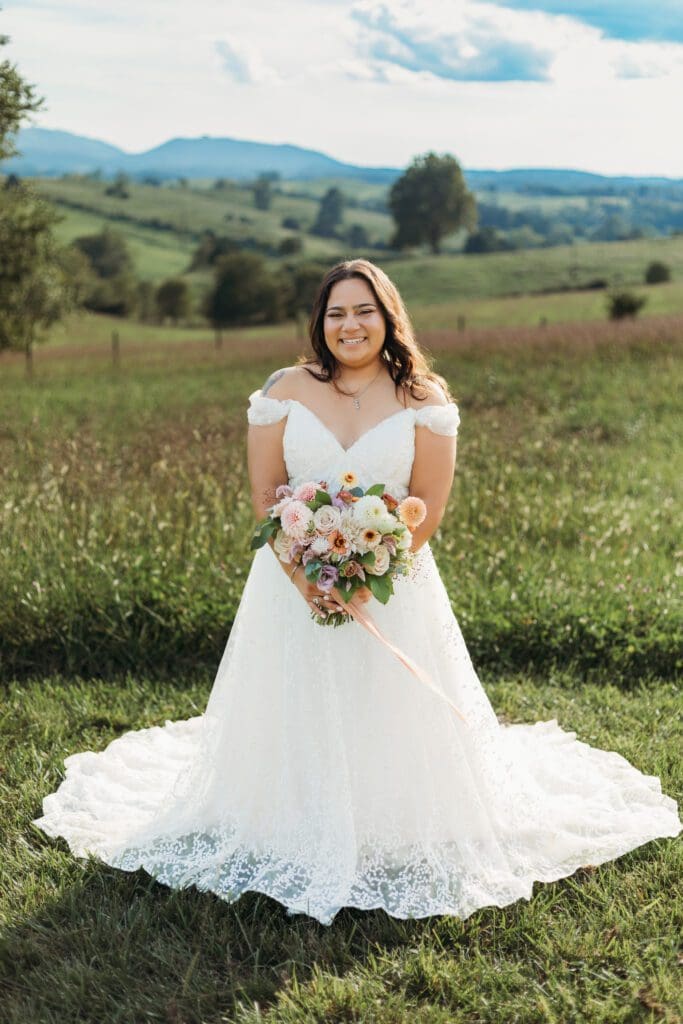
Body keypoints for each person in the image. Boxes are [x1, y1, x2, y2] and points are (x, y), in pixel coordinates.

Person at [33, 258, 681, 927]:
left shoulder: (424, 400)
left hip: (393, 586)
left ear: (387, 317)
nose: (350, 325)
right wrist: (307, 580)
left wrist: (367, 574)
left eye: (363, 311)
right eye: (336, 312)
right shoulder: (283, 391)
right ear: (320, 321)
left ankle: (390, 815)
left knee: (385, 705)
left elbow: (425, 505)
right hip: (288, 585)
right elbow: (264, 496)